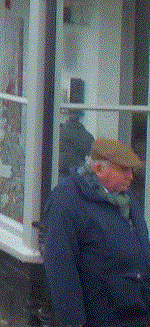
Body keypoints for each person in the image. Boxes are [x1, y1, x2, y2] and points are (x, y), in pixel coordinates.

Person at [43, 136, 149, 327]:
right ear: (99, 169)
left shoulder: (125, 198)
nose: (131, 177)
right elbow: (60, 263)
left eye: (132, 170)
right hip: (101, 315)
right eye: (124, 170)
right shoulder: (67, 199)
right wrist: (73, 321)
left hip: (136, 312)